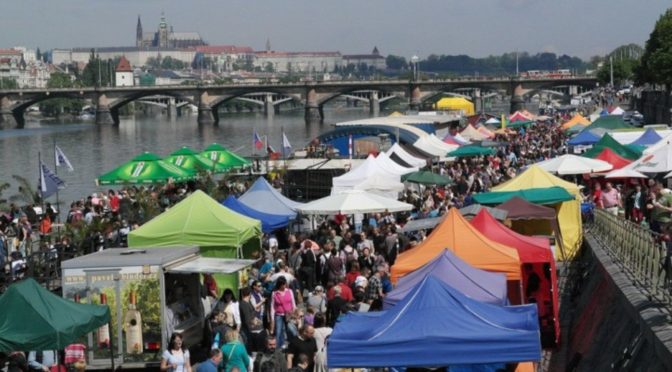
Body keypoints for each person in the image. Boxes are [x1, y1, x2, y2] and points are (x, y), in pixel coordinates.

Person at [239, 287, 266, 355]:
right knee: (249, 348)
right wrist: (255, 322)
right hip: (248, 330)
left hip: (250, 330)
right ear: (250, 294)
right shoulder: (244, 304)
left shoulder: (247, 303)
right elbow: (247, 319)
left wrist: (256, 319)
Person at [271, 276, 296, 348]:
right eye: (283, 284)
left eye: (285, 284)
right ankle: (278, 347)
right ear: (279, 285)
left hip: (289, 314)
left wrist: (294, 312)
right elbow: (272, 307)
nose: (284, 286)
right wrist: (272, 318)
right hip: (279, 314)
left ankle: (293, 345)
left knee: (290, 330)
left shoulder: (289, 291)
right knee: (278, 331)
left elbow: (293, 303)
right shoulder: (275, 293)